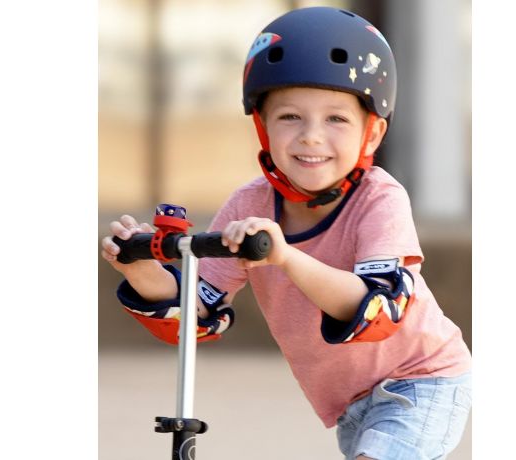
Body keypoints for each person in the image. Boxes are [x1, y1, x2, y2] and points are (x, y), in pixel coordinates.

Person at [101, 7, 472, 460]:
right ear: (262, 126)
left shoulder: (380, 199)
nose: (311, 136)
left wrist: (286, 257)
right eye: (291, 117)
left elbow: (377, 308)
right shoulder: (249, 205)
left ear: (372, 133)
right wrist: (141, 269)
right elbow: (197, 310)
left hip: (423, 379)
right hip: (352, 402)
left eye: (336, 119)